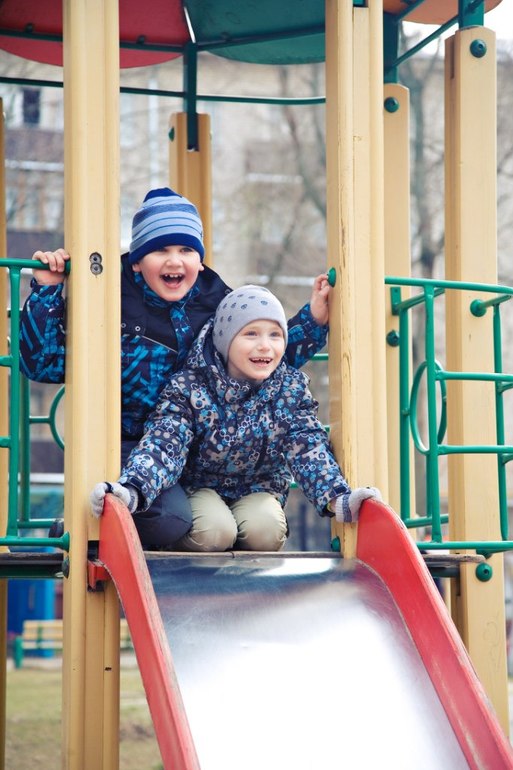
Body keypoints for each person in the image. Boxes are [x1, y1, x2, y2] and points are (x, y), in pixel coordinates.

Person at [19, 188, 331, 548]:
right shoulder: (109, 299)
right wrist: (47, 292)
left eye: (186, 250)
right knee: (172, 520)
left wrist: (312, 322)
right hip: (128, 442)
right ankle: (92, 529)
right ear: (137, 261)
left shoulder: (216, 303)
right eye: (160, 250)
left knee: (233, 525)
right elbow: (42, 365)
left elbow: (259, 361)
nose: (174, 261)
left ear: (200, 261)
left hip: (190, 448)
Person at [90, 285, 381, 551]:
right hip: (198, 488)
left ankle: (244, 580)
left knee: (266, 530)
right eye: (251, 334)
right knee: (215, 531)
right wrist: (133, 489)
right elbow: (165, 444)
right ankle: (192, 565)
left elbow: (308, 448)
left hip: (257, 489)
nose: (265, 345)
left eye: (275, 335)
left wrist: (337, 498)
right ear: (225, 340)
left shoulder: (289, 390)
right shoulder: (190, 388)